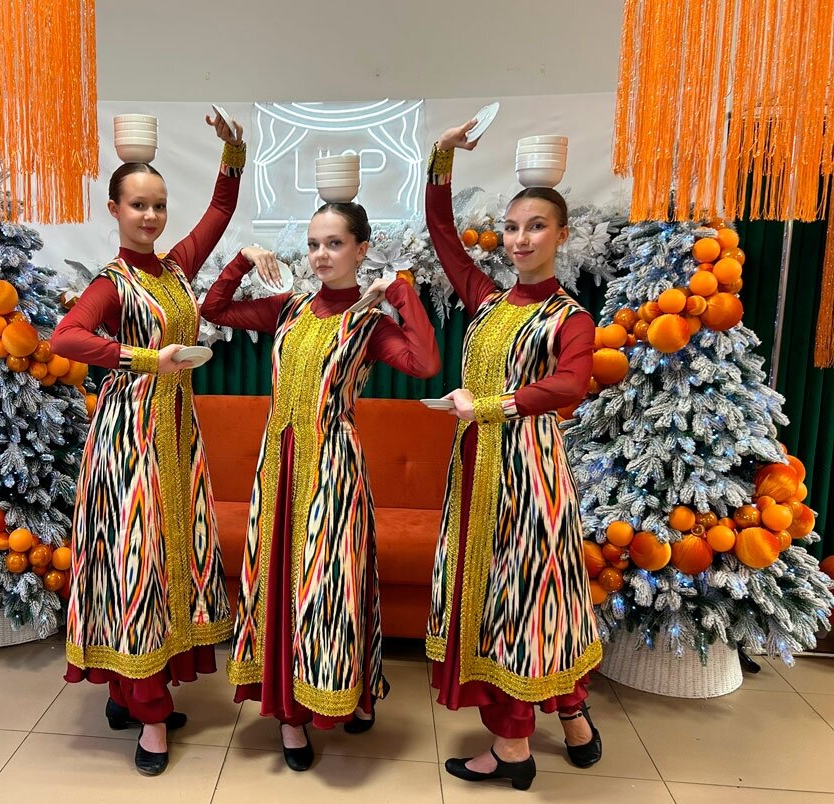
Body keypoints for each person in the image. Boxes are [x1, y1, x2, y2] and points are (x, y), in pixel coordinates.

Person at [200, 201, 441, 771]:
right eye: (313, 244)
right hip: (278, 466)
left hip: (334, 465)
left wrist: (399, 290)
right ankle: (290, 717)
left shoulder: (369, 323)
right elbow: (215, 309)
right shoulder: (289, 307)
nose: (320, 255)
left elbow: (426, 363)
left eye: (334, 244)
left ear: (361, 248)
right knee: (280, 581)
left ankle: (349, 688)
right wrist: (243, 259)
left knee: (336, 584)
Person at [51, 113, 245, 776]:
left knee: (166, 563)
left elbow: (220, 211)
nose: (152, 216)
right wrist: (141, 358)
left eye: (159, 205)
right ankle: (151, 717)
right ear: (115, 210)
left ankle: (126, 692)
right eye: (139, 205)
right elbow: (66, 338)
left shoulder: (174, 269)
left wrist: (233, 150)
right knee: (136, 564)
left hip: (177, 438)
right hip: (129, 442)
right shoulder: (112, 281)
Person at [423, 119, 602, 791]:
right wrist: (442, 159)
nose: (521, 239)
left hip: (528, 472)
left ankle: (513, 752)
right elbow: (444, 236)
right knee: (521, 595)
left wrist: (490, 405)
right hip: (477, 467)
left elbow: (572, 384)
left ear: (562, 235)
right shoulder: (489, 300)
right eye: (512, 227)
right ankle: (574, 721)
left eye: (536, 227)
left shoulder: (570, 316)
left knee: (524, 597)